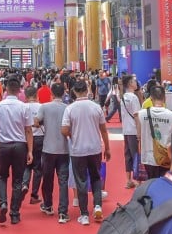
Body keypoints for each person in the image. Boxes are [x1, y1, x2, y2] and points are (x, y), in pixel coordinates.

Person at [62, 80, 111, 225]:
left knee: (81, 180)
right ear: (87, 89)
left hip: (78, 150)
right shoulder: (96, 107)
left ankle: (84, 215)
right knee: (96, 178)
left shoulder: (70, 109)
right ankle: (97, 206)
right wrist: (107, 148)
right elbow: (103, 129)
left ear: (74, 92)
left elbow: (64, 130)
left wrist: (72, 134)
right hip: (95, 148)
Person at [0, 76, 34, 225]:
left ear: (6, 89)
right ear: (19, 90)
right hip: (20, 146)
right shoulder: (24, 107)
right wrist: (30, 151)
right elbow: (28, 130)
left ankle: (3, 203)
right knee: (18, 180)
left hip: (4, 145)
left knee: (1, 176)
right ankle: (15, 213)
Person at [36, 82, 71, 223]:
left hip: (48, 148)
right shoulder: (67, 108)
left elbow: (36, 121)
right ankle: (63, 212)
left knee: (47, 178)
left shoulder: (44, 107)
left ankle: (48, 205)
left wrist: (45, 125)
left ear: (51, 93)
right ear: (63, 93)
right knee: (63, 181)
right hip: (63, 148)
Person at [137, 85, 172, 180]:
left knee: (151, 183)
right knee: (165, 184)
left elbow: (138, 136)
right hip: (166, 156)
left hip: (148, 156)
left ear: (150, 98)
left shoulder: (141, 114)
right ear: (164, 97)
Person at [23, 85, 45, 204]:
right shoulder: (41, 107)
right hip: (39, 139)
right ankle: (34, 194)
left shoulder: (22, 107)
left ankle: (24, 184)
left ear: (25, 97)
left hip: (25, 138)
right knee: (38, 168)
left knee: (26, 165)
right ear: (36, 96)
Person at [120, 74, 142, 189]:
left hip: (126, 130)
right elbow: (136, 116)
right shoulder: (133, 98)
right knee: (136, 155)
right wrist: (139, 132)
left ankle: (129, 180)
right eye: (134, 81)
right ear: (129, 84)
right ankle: (138, 180)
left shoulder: (123, 97)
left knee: (128, 154)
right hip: (133, 129)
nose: (136, 83)